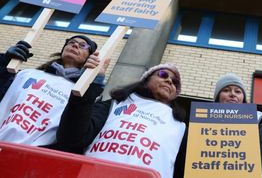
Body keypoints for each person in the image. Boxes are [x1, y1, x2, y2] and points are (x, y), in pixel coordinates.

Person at [56, 63, 187, 178]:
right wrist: (90, 85)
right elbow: (72, 138)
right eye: (163, 74)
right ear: (145, 80)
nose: (170, 81)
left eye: (175, 82)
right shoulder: (113, 105)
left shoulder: (180, 126)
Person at [0, 35, 106, 148]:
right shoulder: (27, 74)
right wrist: (2, 63)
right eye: (71, 42)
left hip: (28, 154)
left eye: (83, 46)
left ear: (89, 57)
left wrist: (90, 84)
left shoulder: (82, 95)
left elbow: (73, 136)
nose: (75, 45)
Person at [214, 73, 262, 178]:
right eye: (226, 90)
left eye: (238, 91)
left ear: (243, 98)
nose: (232, 94)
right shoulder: (199, 126)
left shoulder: (259, 127)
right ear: (217, 97)